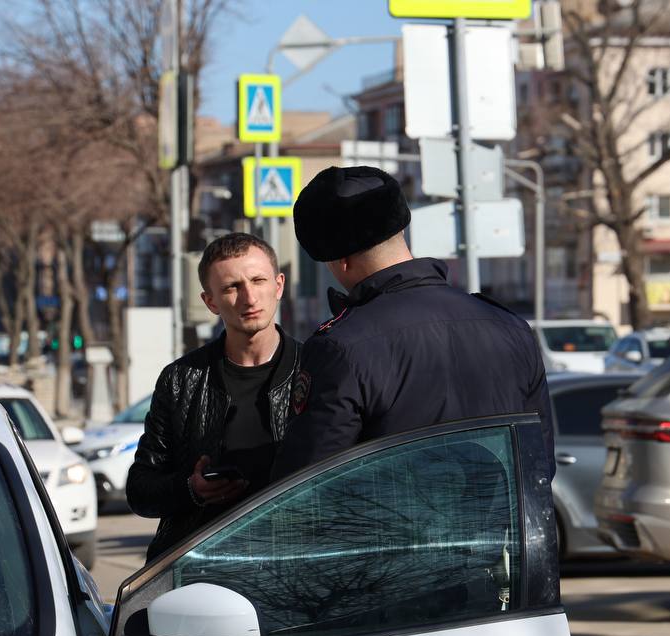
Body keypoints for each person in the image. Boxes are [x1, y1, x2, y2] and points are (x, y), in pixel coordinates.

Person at [271, 165, 554, 480]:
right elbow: (539, 464)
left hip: (389, 514)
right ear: (401, 232)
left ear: (341, 260)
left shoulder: (339, 348)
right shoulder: (511, 326)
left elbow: (308, 483)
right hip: (504, 514)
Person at [127, 232, 302, 561]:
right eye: (232, 287)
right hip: (205, 566)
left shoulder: (317, 368)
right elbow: (140, 490)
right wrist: (191, 489)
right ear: (210, 302)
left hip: (296, 562)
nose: (249, 297)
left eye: (258, 280)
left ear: (278, 285)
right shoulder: (181, 379)